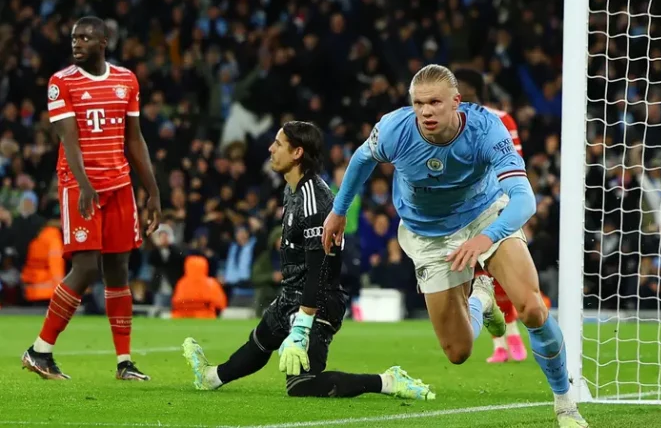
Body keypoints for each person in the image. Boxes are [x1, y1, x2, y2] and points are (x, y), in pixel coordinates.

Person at [323, 65, 587, 427]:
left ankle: (565, 404)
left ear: (456, 102)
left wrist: (487, 237)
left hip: (484, 216)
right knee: (458, 351)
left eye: (435, 102)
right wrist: (338, 211)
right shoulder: (394, 129)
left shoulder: (487, 129)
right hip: (428, 233)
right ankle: (482, 300)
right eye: (419, 103)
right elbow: (360, 160)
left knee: (531, 308)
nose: (426, 111)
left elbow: (524, 199)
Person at [181, 121, 434, 400]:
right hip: (293, 295)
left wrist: (302, 325)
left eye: (278, 144)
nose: (271, 148)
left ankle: (387, 381)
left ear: (297, 153)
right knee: (260, 342)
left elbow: (319, 267)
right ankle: (211, 377)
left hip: (318, 302)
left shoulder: (313, 199)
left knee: (302, 385)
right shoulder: (293, 189)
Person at [21, 16, 161, 381]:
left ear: (103, 42)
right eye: (74, 37)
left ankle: (124, 363)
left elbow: (135, 138)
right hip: (80, 186)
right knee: (85, 267)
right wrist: (84, 184)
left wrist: (153, 190)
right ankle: (39, 351)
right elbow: (68, 138)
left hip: (119, 185)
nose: (77, 43)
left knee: (118, 270)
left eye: (85, 38)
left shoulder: (126, 80)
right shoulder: (61, 82)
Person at [454, 68, 528, 364]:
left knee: (501, 272)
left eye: (459, 85)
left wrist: (512, 203)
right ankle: (499, 343)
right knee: (475, 276)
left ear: (472, 88)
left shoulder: (501, 118)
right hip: (463, 210)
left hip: (498, 204)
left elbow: (515, 161)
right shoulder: (449, 122)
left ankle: (513, 331)